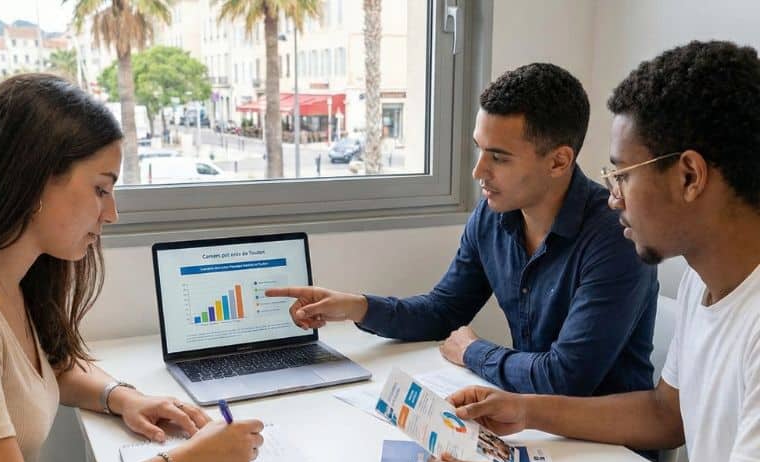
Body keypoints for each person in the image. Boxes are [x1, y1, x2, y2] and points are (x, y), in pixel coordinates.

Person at [428, 40, 760, 462]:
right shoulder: (708, 276)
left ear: (690, 177)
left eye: (624, 174)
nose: (612, 197)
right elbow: (664, 414)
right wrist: (526, 409)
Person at [0, 74, 264, 462]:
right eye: (100, 188)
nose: (112, 213)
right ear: (33, 179)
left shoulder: (7, 277)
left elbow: (38, 364)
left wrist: (121, 396)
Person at [267, 63, 658, 397]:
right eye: (479, 149)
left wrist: (473, 351)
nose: (478, 172)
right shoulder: (493, 216)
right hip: (536, 421)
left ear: (558, 162)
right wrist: (356, 306)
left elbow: (566, 378)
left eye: (499, 157)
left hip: (611, 449)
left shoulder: (617, 236)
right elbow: (443, 311)